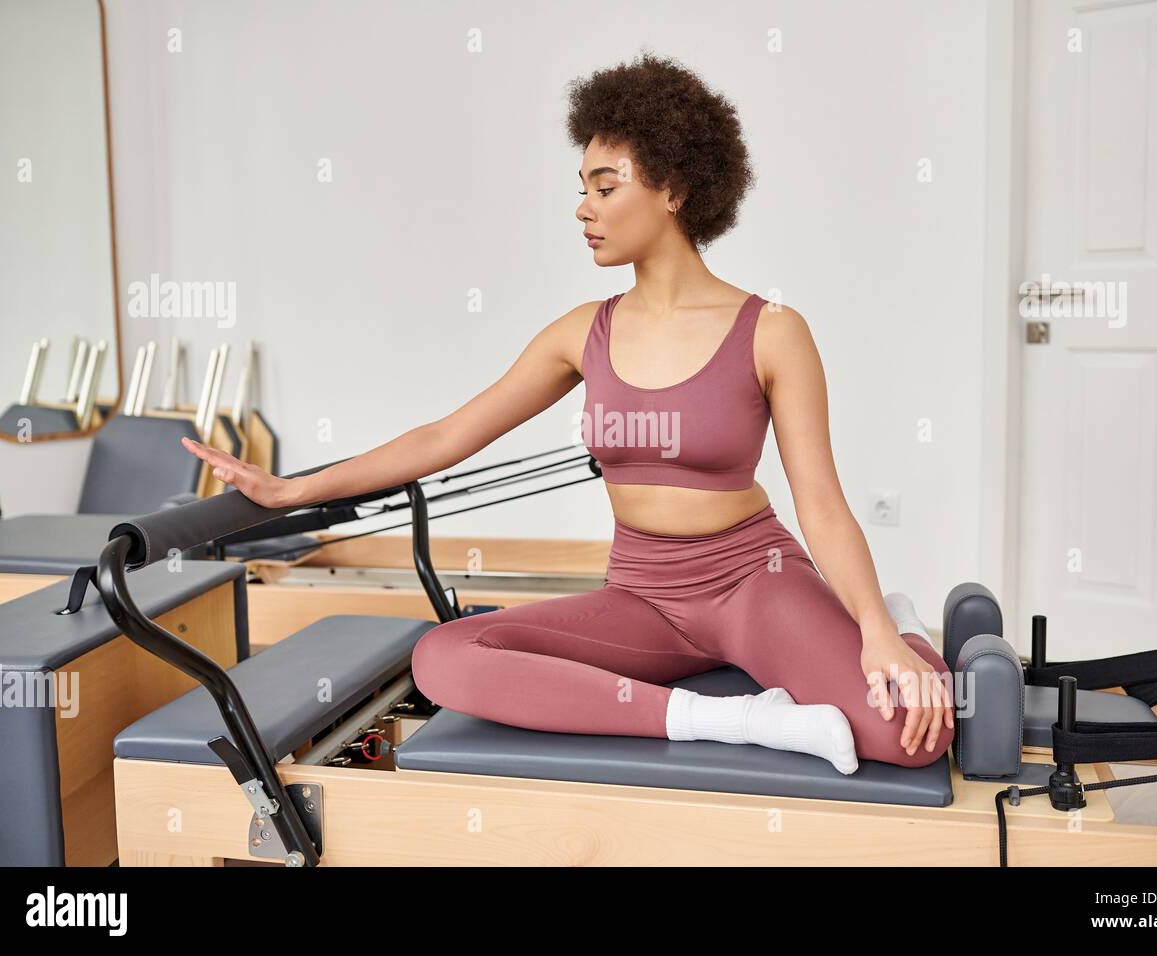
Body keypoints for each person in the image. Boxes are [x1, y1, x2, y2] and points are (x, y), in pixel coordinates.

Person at [181, 50, 954, 773]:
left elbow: (820, 505)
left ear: (675, 187)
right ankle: (737, 719)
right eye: (581, 187)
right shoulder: (582, 333)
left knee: (913, 734)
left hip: (753, 582)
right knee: (443, 658)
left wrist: (880, 635)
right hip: (641, 600)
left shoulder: (773, 332)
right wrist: (292, 491)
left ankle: (897, 615)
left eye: (605, 186)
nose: (584, 208)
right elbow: (447, 435)